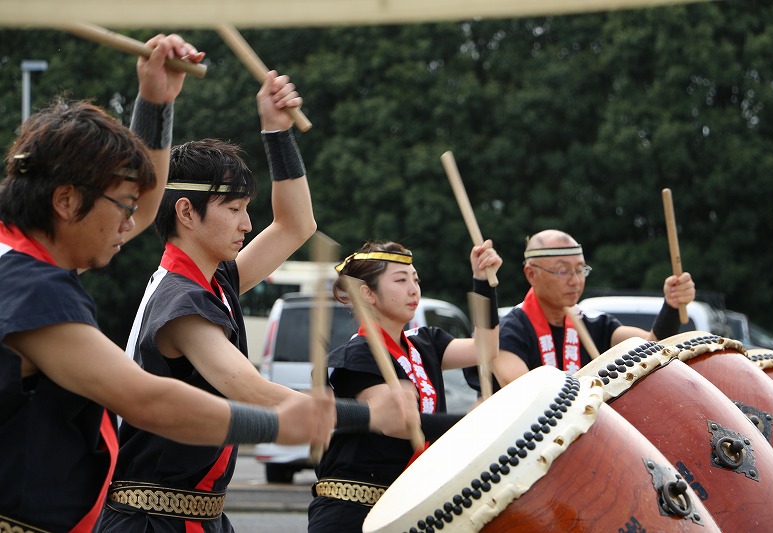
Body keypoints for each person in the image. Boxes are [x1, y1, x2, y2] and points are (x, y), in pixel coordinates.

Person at [0, 35, 344, 532]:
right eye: (121, 204)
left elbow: (293, 226)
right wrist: (292, 420)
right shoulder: (39, 289)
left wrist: (158, 103)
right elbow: (149, 400)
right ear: (67, 201)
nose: (131, 221)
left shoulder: (24, 261)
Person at [99, 74, 418, 532]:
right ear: (186, 213)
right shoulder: (180, 301)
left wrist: (277, 131)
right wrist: (367, 415)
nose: (248, 224)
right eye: (233, 209)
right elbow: (253, 392)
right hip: (150, 522)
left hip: (196, 517)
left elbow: (296, 224)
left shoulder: (212, 281)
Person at [306, 239, 503, 533]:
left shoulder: (427, 343)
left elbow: (486, 349)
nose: (413, 289)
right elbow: (398, 423)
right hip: (353, 510)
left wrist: (483, 282)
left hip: (407, 507)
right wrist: (473, 424)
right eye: (400, 280)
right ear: (367, 293)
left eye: (415, 280)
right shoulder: (357, 355)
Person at [490, 229, 695, 388]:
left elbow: (653, 348)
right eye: (563, 271)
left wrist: (671, 306)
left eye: (580, 270)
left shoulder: (595, 324)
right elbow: (523, 392)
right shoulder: (509, 332)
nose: (575, 281)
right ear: (531, 274)